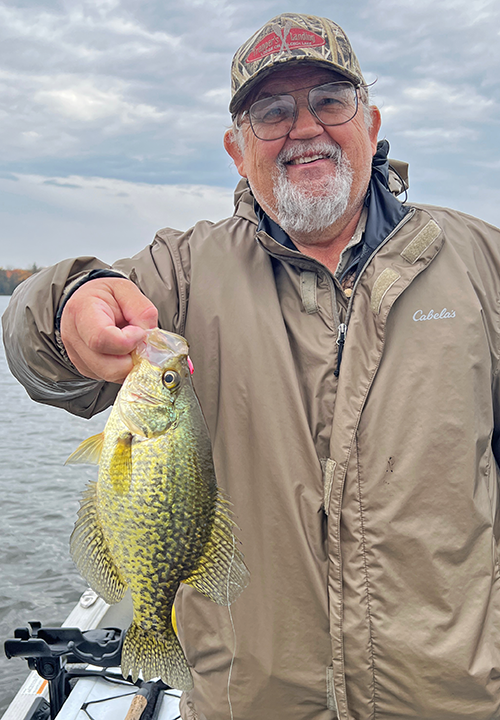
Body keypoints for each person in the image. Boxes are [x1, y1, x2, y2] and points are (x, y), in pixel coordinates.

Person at [3, 11, 500, 720]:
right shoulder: (182, 272)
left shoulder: (484, 263)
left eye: (329, 101)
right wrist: (68, 305)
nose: (303, 127)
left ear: (371, 120)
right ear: (238, 151)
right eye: (271, 112)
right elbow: (34, 339)